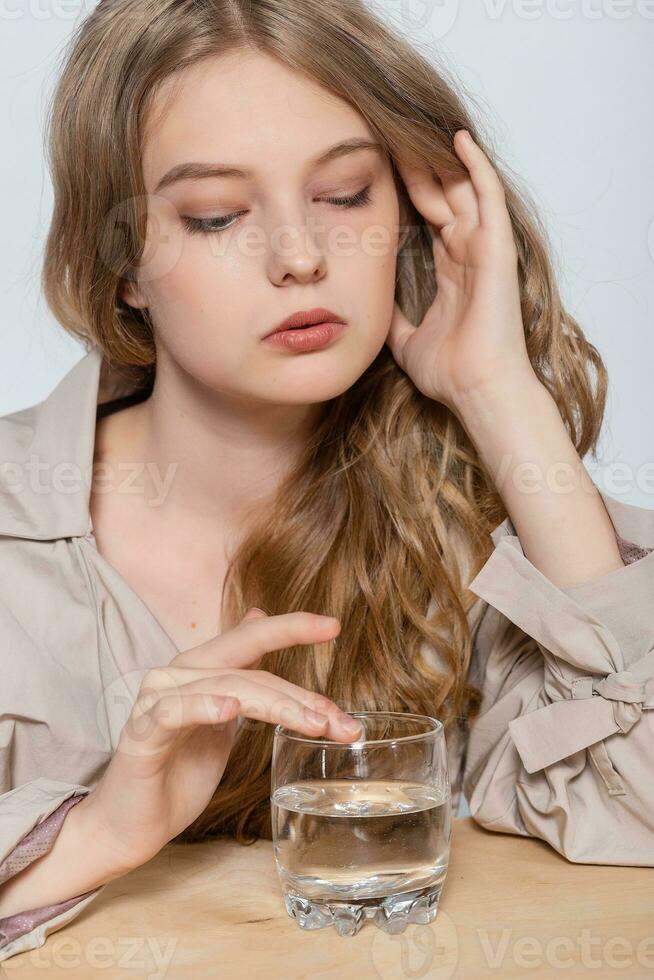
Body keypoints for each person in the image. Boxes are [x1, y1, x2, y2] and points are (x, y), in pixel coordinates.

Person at [1, 0, 653, 962]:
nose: (303, 257)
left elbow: (634, 807)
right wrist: (95, 835)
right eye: (216, 215)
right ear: (123, 265)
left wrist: (501, 392)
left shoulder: (466, 524)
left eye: (347, 195)